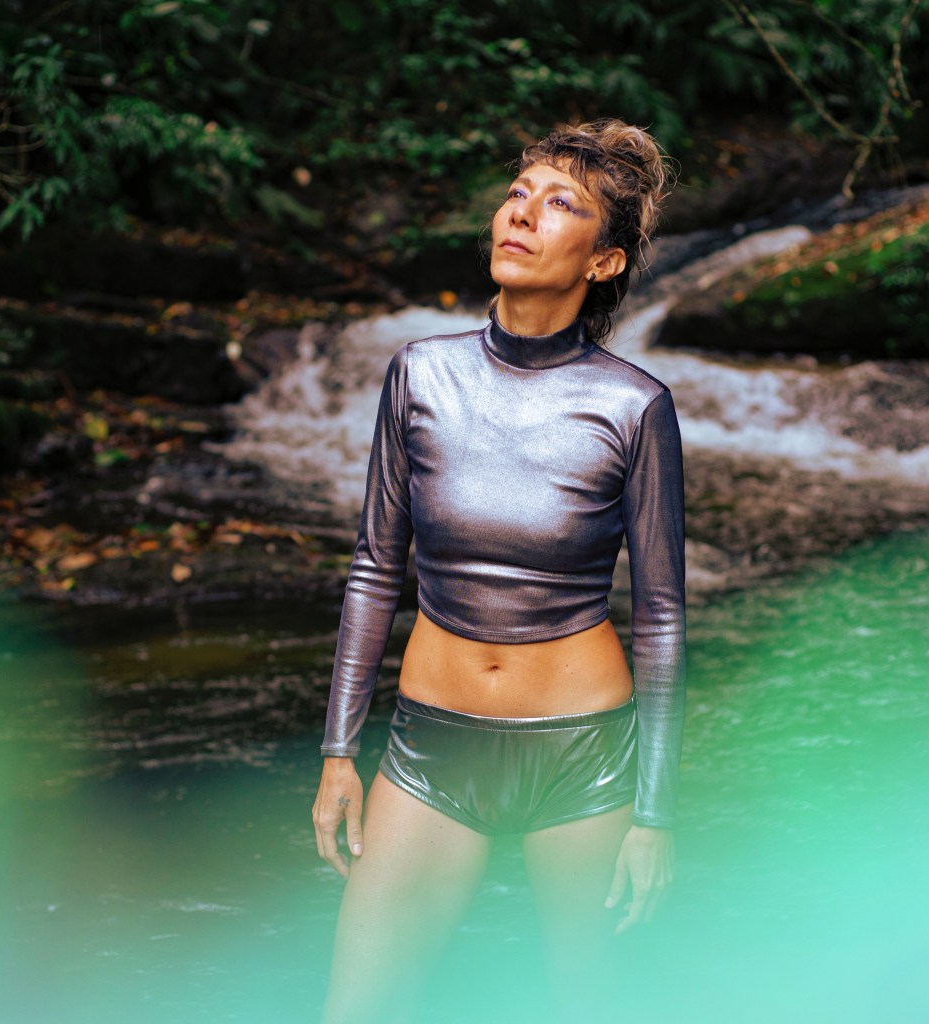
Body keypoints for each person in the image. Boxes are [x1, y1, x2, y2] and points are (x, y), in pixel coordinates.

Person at [312, 119, 685, 1023]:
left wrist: (655, 813)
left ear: (604, 261)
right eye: (518, 194)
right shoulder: (419, 375)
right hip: (431, 749)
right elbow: (375, 567)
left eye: (560, 205)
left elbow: (662, 615)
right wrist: (338, 753)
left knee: (589, 1007)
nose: (522, 213)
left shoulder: (635, 407)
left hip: (582, 759)